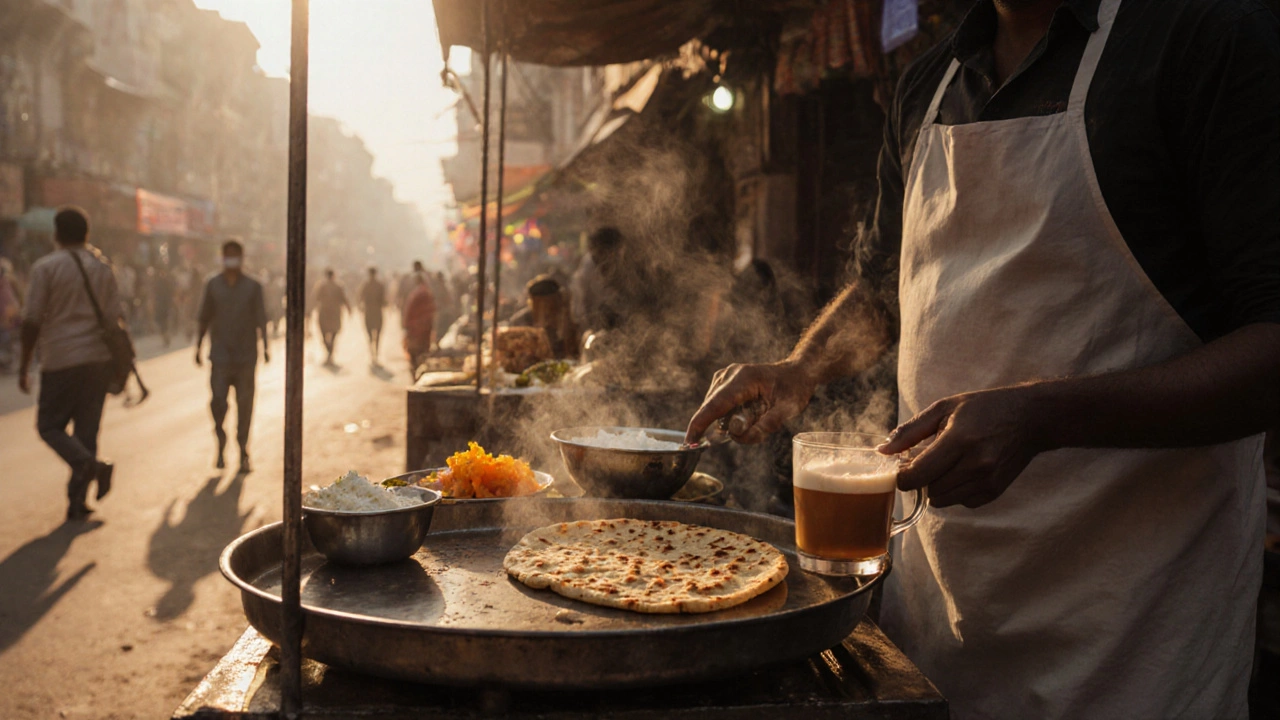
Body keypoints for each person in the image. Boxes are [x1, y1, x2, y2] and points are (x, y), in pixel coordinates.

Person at [687, 1, 1280, 718]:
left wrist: (1039, 416)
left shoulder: (1204, 38)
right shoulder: (927, 81)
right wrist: (800, 370)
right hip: (944, 604)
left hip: (1132, 616)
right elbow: (886, 289)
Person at [17, 207, 117, 520]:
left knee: (49, 426)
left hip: (60, 360)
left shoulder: (46, 268)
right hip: (97, 360)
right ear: (86, 234)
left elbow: (32, 320)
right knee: (87, 433)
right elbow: (114, 320)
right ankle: (78, 501)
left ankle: (88, 469)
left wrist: (24, 365)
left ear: (56, 234)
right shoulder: (103, 268)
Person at [195, 240, 269, 472]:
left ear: (242, 258)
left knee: (245, 406)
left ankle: (243, 450)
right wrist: (197, 347)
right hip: (220, 356)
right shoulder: (213, 285)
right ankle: (220, 441)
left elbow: (261, 318)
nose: (231, 260)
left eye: (235, 256)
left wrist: (266, 346)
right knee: (218, 403)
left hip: (246, 358)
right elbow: (204, 317)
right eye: (228, 255)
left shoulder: (253, 287)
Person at [509, 274, 577, 359]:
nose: (546, 309)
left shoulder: (563, 318)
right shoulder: (519, 321)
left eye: (550, 303)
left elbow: (572, 351)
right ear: (532, 301)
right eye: (540, 303)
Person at [312, 268, 350, 365]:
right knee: (334, 331)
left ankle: (328, 349)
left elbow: (316, 298)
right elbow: (344, 298)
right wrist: (349, 309)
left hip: (324, 312)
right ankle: (330, 349)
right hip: (334, 312)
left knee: (323, 331)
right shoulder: (338, 286)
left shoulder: (321, 286)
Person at [401, 272, 436, 376]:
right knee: (422, 354)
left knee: (416, 355)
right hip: (423, 329)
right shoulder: (425, 292)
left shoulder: (418, 293)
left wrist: (407, 326)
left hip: (416, 329)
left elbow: (409, 312)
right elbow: (432, 311)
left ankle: (416, 374)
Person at [358, 266, 387, 361]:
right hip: (377, 312)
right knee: (378, 333)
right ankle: (376, 351)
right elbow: (384, 301)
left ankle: (372, 351)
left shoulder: (365, 285)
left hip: (369, 312)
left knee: (370, 333)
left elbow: (360, 297)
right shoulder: (379, 285)